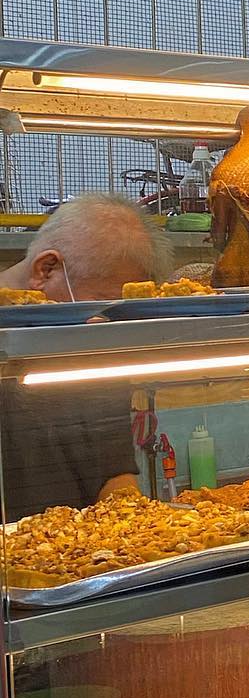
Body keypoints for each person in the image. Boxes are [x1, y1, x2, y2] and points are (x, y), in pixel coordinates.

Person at [0, 194, 171, 518]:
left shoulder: (93, 350)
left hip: (82, 556)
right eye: (100, 305)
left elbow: (114, 475)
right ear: (46, 269)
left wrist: (138, 532)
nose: (104, 325)